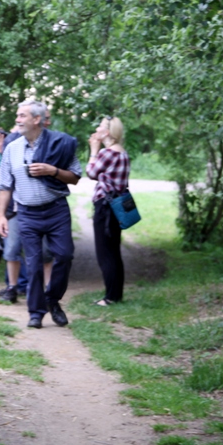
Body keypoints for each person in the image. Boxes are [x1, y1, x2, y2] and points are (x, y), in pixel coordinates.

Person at [0, 100, 81, 328]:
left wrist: (52, 171)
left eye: (22, 116)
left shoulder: (61, 144)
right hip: (26, 213)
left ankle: (52, 300)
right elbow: (4, 185)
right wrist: (1, 216)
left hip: (56, 210)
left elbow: (75, 177)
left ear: (36, 119)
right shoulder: (12, 148)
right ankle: (36, 312)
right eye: (17, 115)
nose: (17, 120)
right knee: (32, 264)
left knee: (64, 256)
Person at [86, 116, 130, 305]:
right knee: (114, 251)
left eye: (101, 126)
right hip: (116, 206)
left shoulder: (107, 153)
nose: (97, 128)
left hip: (105, 207)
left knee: (105, 253)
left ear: (109, 132)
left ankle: (110, 298)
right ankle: (116, 295)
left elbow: (91, 173)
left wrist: (94, 150)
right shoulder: (122, 153)